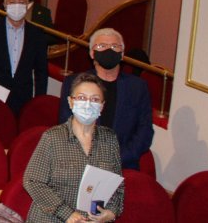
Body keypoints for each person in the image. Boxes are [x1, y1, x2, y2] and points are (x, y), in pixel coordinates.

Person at [24, 72, 125, 223]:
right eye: (82, 98)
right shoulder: (52, 138)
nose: (88, 103)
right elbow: (32, 181)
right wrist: (67, 214)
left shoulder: (110, 140)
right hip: (51, 219)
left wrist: (111, 212)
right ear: (71, 102)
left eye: (95, 99)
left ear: (102, 106)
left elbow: (117, 185)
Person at [58, 28, 154, 170]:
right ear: (92, 53)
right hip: (82, 163)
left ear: (121, 54)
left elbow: (145, 131)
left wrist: (118, 158)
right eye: (102, 46)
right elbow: (66, 125)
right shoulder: (75, 83)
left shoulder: (137, 87)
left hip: (124, 165)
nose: (109, 50)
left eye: (115, 46)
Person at [0, 0, 50, 113]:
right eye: (12, 2)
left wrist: (39, 101)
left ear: (28, 5)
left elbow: (41, 72)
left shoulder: (37, 35)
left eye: (22, 2)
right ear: (5, 5)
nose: (17, 6)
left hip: (23, 98)